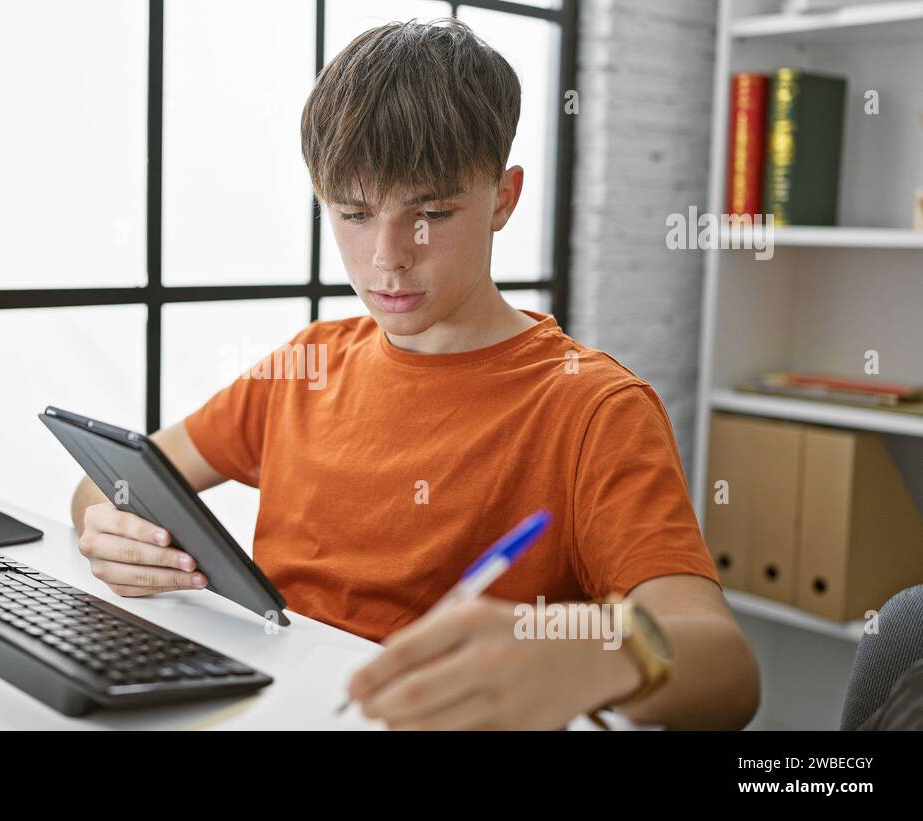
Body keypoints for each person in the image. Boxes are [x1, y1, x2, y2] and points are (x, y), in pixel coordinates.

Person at [71, 18, 759, 730]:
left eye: (430, 212)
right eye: (354, 213)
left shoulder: (594, 409)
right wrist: (109, 529)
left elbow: (728, 671)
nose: (387, 258)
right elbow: (108, 480)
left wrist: (594, 652)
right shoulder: (307, 366)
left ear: (503, 198)